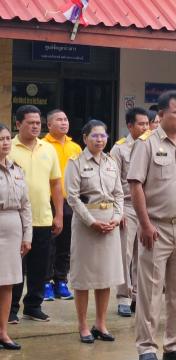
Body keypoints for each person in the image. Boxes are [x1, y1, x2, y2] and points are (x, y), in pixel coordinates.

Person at [127, 90, 176, 360]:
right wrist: (145, 224)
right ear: (160, 115)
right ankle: (147, 348)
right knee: (150, 292)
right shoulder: (146, 144)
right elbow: (136, 185)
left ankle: (174, 346)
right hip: (156, 228)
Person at [65, 119, 124, 343]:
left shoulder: (111, 162)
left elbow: (119, 193)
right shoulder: (76, 162)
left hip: (109, 224)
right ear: (85, 138)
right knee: (83, 277)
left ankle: (101, 323)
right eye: (95, 136)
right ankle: (82, 326)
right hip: (86, 224)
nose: (100, 140)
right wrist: (92, 222)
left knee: (105, 276)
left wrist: (117, 218)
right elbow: (72, 197)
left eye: (103, 135)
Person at [9, 105, 63, 323]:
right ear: (18, 124)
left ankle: (33, 305)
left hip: (42, 216)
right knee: (15, 267)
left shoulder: (47, 149)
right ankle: (11, 309)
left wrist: (58, 214)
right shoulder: (7, 147)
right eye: (30, 123)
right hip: (15, 220)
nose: (35, 126)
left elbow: (56, 184)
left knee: (40, 266)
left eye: (38, 123)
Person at [110, 107, 150, 317]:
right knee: (125, 254)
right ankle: (123, 297)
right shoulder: (119, 149)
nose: (145, 127)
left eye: (146, 123)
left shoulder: (151, 145)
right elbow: (114, 182)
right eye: (141, 124)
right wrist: (119, 212)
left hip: (147, 206)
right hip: (126, 205)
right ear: (130, 126)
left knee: (143, 253)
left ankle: (138, 295)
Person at [43, 109, 82, 301]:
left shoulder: (75, 147)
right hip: (47, 201)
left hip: (70, 201)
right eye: (59, 120)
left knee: (66, 244)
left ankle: (61, 280)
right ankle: (46, 281)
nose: (64, 122)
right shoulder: (42, 145)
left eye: (66, 119)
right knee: (47, 244)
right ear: (49, 125)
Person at [0, 125, 31, 350]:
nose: (5, 143)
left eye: (7, 138)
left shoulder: (17, 169)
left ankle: (3, 332)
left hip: (13, 229)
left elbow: (25, 206)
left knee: (7, 283)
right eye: (0, 139)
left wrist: (26, 235)